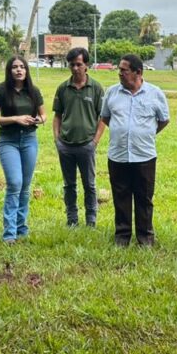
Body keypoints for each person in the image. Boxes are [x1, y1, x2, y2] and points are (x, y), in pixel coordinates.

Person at [98, 53, 170, 246]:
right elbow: (105, 117)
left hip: (144, 155)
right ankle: (122, 237)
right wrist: (123, 131)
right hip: (118, 155)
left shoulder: (155, 93)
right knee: (120, 197)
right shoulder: (112, 93)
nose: (120, 73)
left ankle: (145, 238)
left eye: (124, 70)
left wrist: (145, 133)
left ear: (138, 72)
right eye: (119, 69)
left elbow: (164, 120)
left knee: (144, 198)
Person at [0, 56, 46, 244]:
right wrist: (15, 119)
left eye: (22, 67)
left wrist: (38, 120)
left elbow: (44, 114)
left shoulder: (33, 91)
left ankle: (21, 229)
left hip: (29, 139)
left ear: (27, 70)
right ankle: (9, 233)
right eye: (15, 67)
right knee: (14, 183)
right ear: (9, 70)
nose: (19, 70)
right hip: (8, 140)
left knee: (25, 186)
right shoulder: (0, 90)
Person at [52, 47, 105, 227]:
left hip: (87, 144)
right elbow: (57, 116)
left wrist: (95, 141)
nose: (75, 68)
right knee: (69, 185)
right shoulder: (63, 88)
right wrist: (57, 140)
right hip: (66, 144)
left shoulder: (96, 88)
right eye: (72, 64)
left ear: (86, 65)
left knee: (89, 184)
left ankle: (91, 219)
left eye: (79, 64)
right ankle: (72, 218)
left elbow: (103, 117)